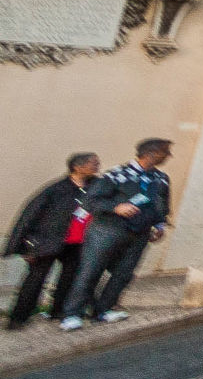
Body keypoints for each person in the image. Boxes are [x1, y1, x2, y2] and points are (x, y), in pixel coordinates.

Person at [60, 138, 172, 330]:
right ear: (150, 154)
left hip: (139, 233)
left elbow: (161, 204)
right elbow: (90, 202)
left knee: (123, 273)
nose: (168, 156)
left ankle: (104, 309)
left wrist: (160, 224)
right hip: (107, 231)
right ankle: (72, 313)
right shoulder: (116, 175)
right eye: (165, 152)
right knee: (90, 271)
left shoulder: (160, 178)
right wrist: (116, 207)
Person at [6, 153, 98, 329]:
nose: (96, 166)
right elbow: (29, 215)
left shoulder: (94, 188)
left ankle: (58, 311)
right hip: (48, 242)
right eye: (92, 163)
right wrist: (25, 246)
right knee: (35, 280)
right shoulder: (56, 190)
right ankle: (18, 318)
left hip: (76, 243)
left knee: (69, 279)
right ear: (77, 167)